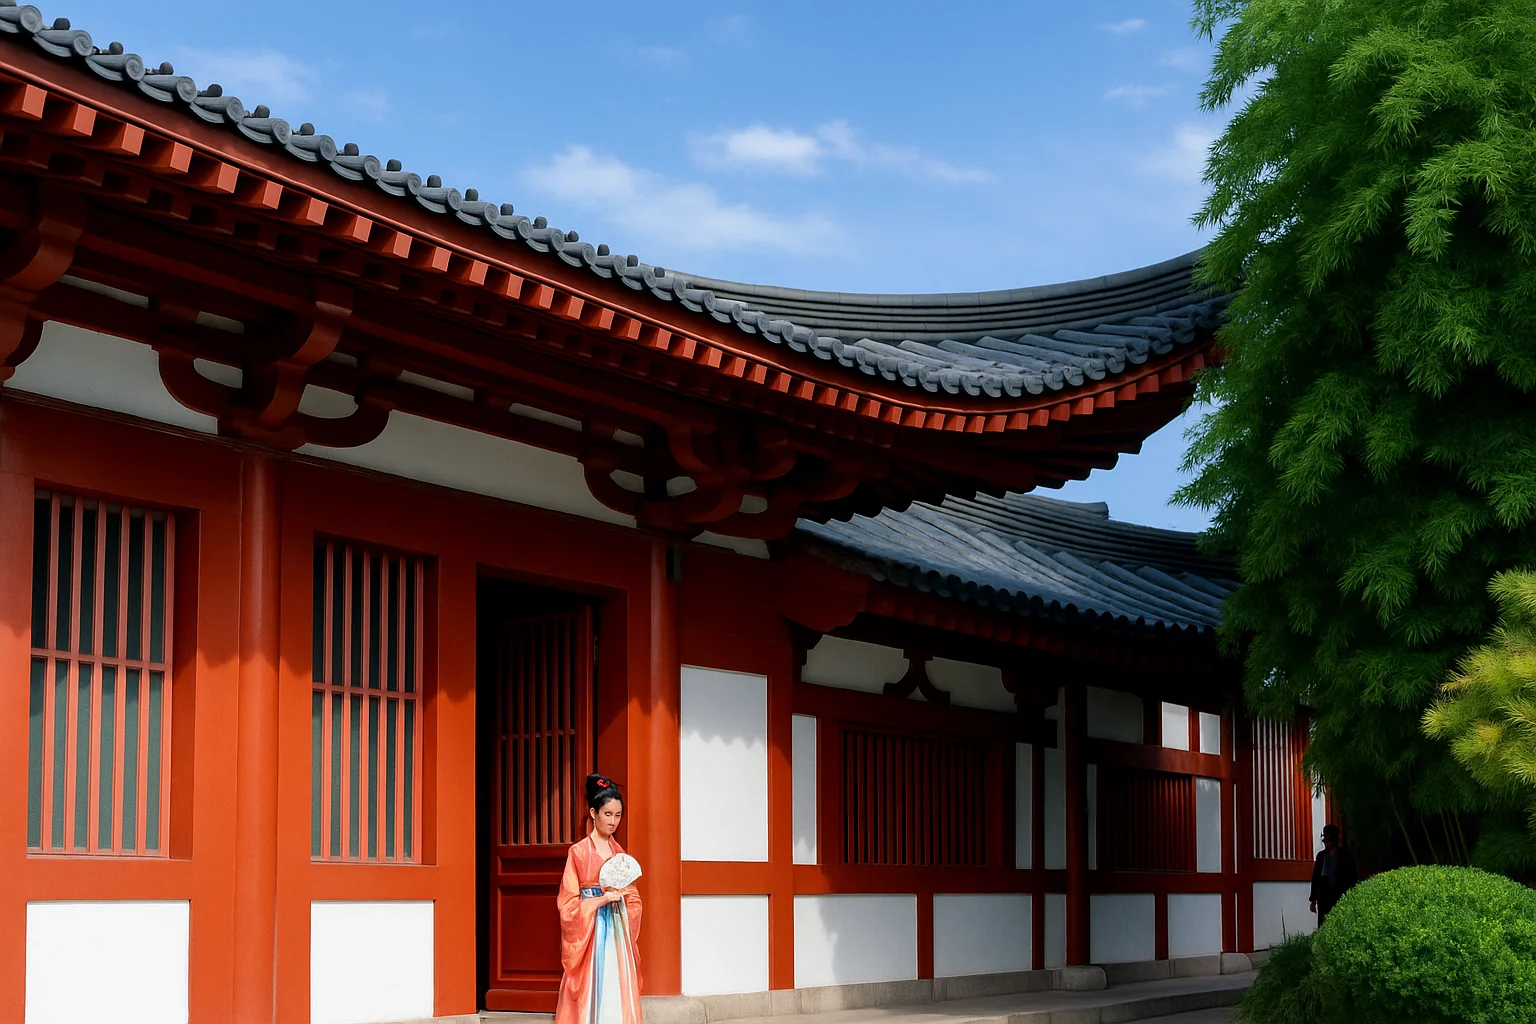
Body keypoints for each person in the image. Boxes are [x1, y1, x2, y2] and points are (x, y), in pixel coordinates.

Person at [555, 773, 644, 1024]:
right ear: (593, 813)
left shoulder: (620, 854)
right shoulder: (579, 852)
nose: (613, 821)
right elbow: (568, 902)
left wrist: (626, 903)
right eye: (607, 814)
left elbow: (634, 897)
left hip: (617, 930)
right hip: (591, 934)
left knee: (617, 986)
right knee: (591, 986)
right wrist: (599, 901)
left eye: (618, 815)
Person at [1309, 823, 1358, 927]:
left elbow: (1351, 877)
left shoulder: (1344, 855)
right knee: (1323, 923)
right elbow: (1316, 877)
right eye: (1325, 841)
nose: (1326, 843)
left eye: (1328, 840)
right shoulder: (1321, 856)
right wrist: (1313, 900)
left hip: (1338, 893)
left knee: (1338, 923)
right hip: (1323, 894)